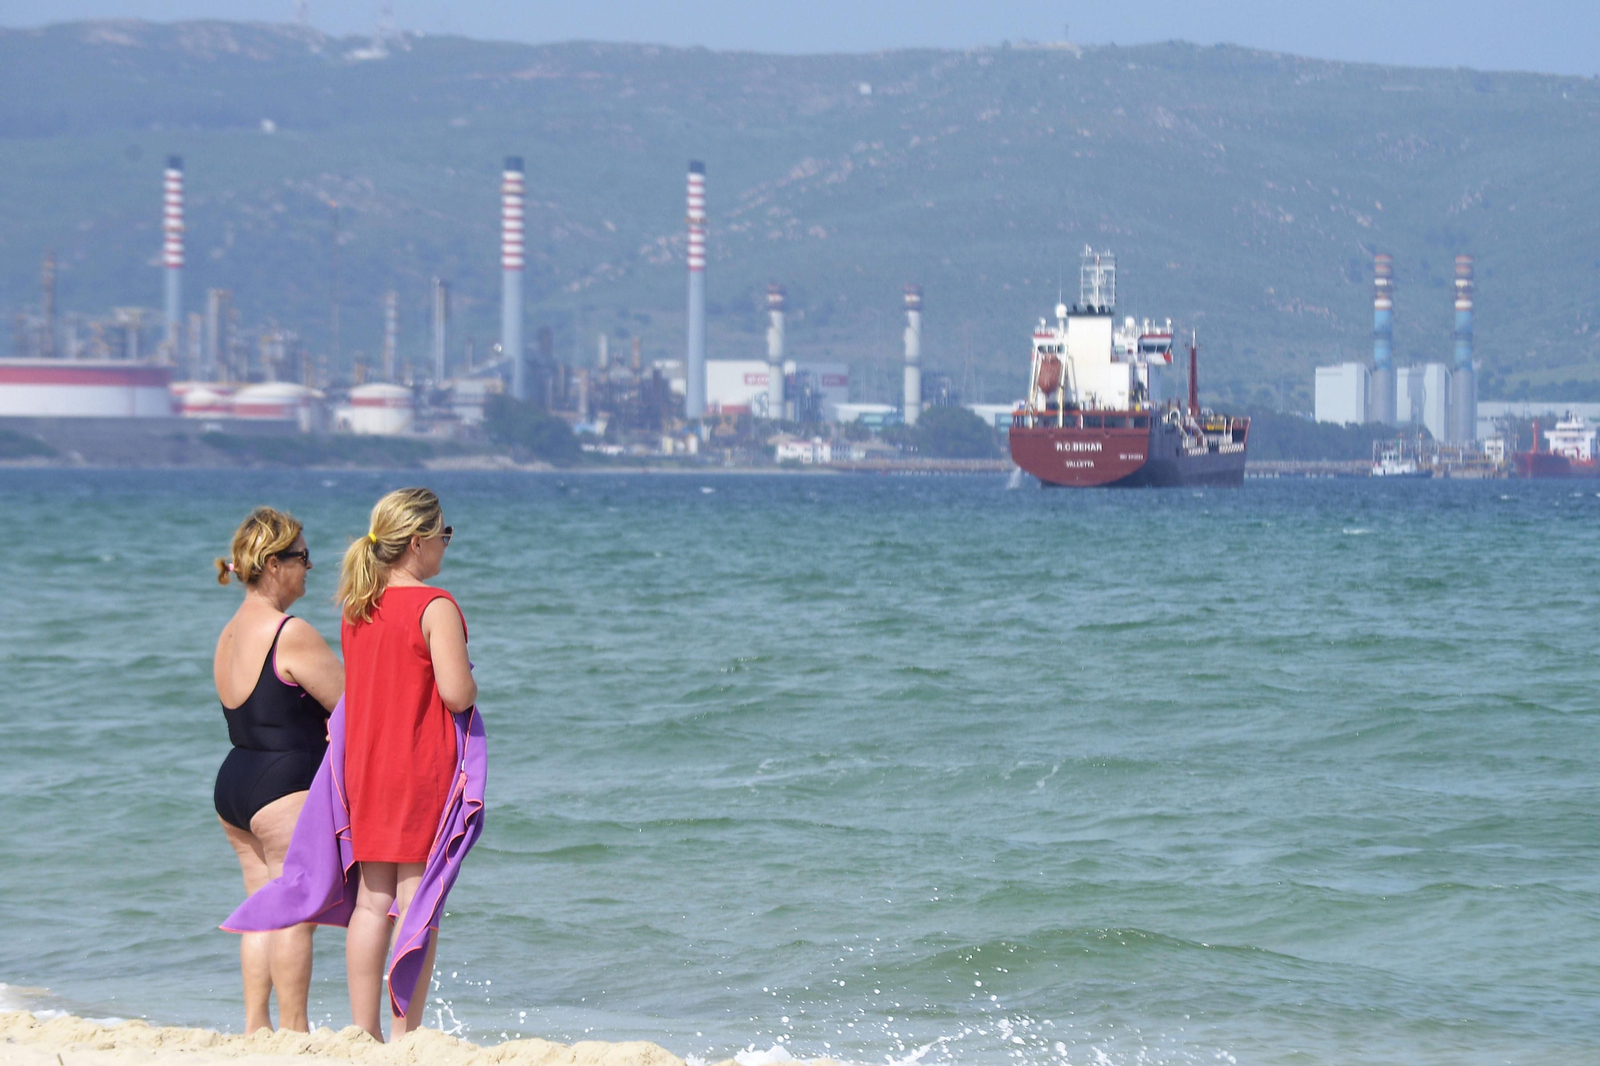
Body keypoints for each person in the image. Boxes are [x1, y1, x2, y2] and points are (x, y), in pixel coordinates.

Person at [337, 487, 476, 1041]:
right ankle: (405, 1035)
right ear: (418, 542)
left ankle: (361, 1032)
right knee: (418, 902)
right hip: (419, 768)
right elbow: (457, 693)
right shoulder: (434, 605)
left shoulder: (358, 606)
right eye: (444, 534)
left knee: (371, 903)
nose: (446, 544)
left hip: (365, 769)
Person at [212, 507, 344, 1034]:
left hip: (235, 783)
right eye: (302, 557)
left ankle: (255, 1028)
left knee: (261, 906)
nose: (310, 567)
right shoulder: (290, 632)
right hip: (284, 784)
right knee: (294, 911)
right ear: (272, 564)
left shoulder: (227, 633)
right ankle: (294, 1032)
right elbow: (351, 706)